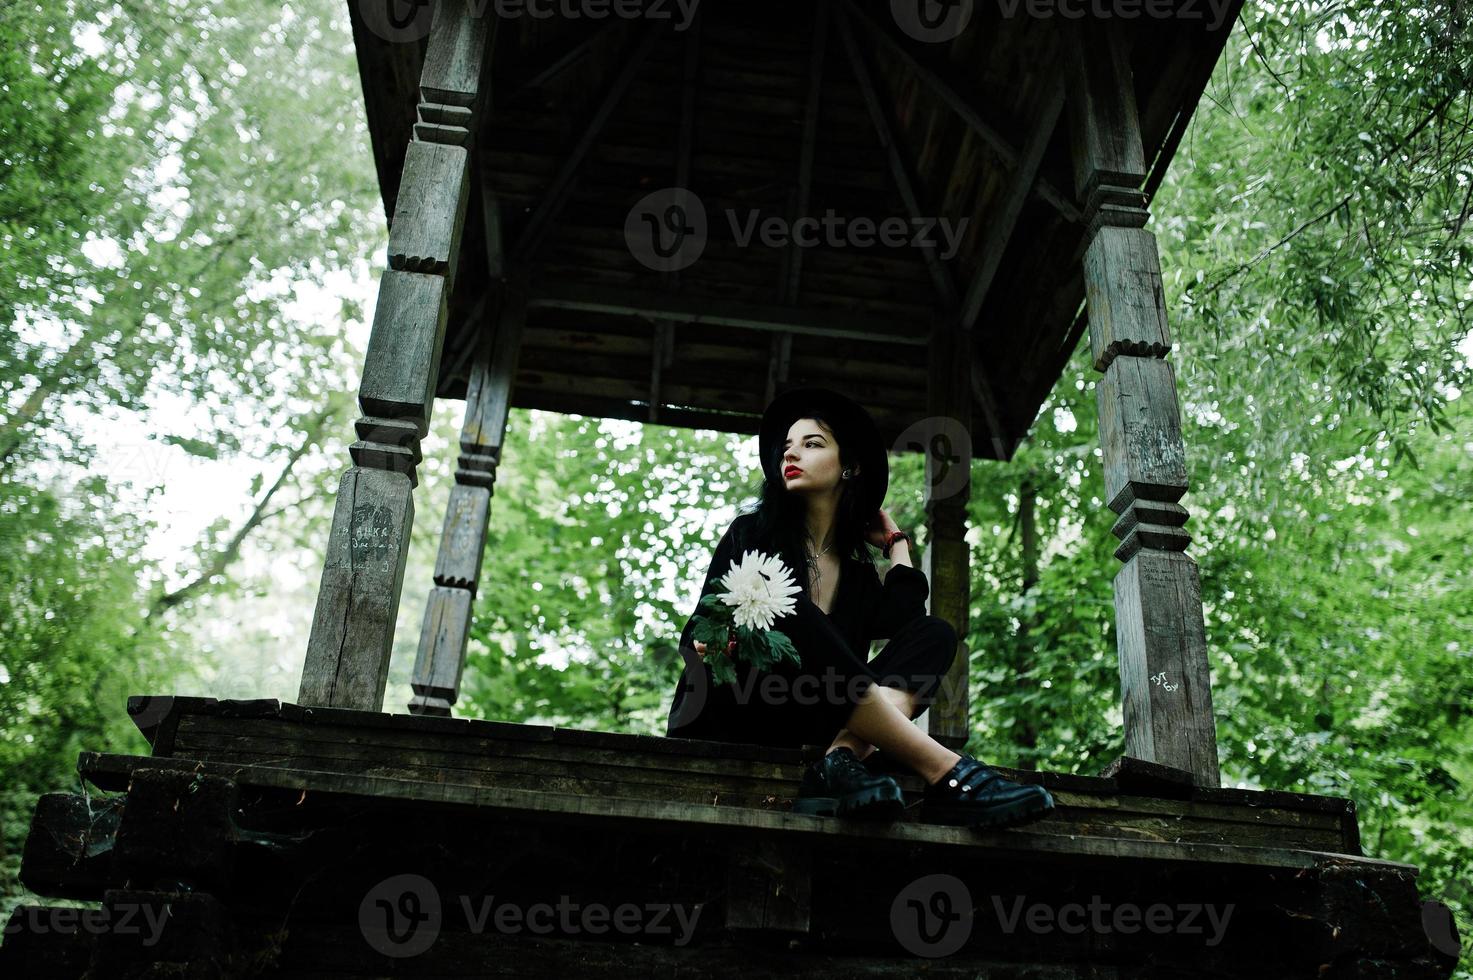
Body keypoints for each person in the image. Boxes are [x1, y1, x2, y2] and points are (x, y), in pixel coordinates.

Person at [665, 387, 1055, 829]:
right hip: (739, 710)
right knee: (779, 599)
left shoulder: (858, 577)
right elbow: (698, 630)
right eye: (787, 447)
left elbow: (910, 630)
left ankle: (841, 758)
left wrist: (897, 545)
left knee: (937, 633)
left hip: (813, 722)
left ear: (849, 466)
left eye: (812, 444)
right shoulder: (752, 534)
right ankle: (947, 770)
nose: (791, 454)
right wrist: (714, 642)